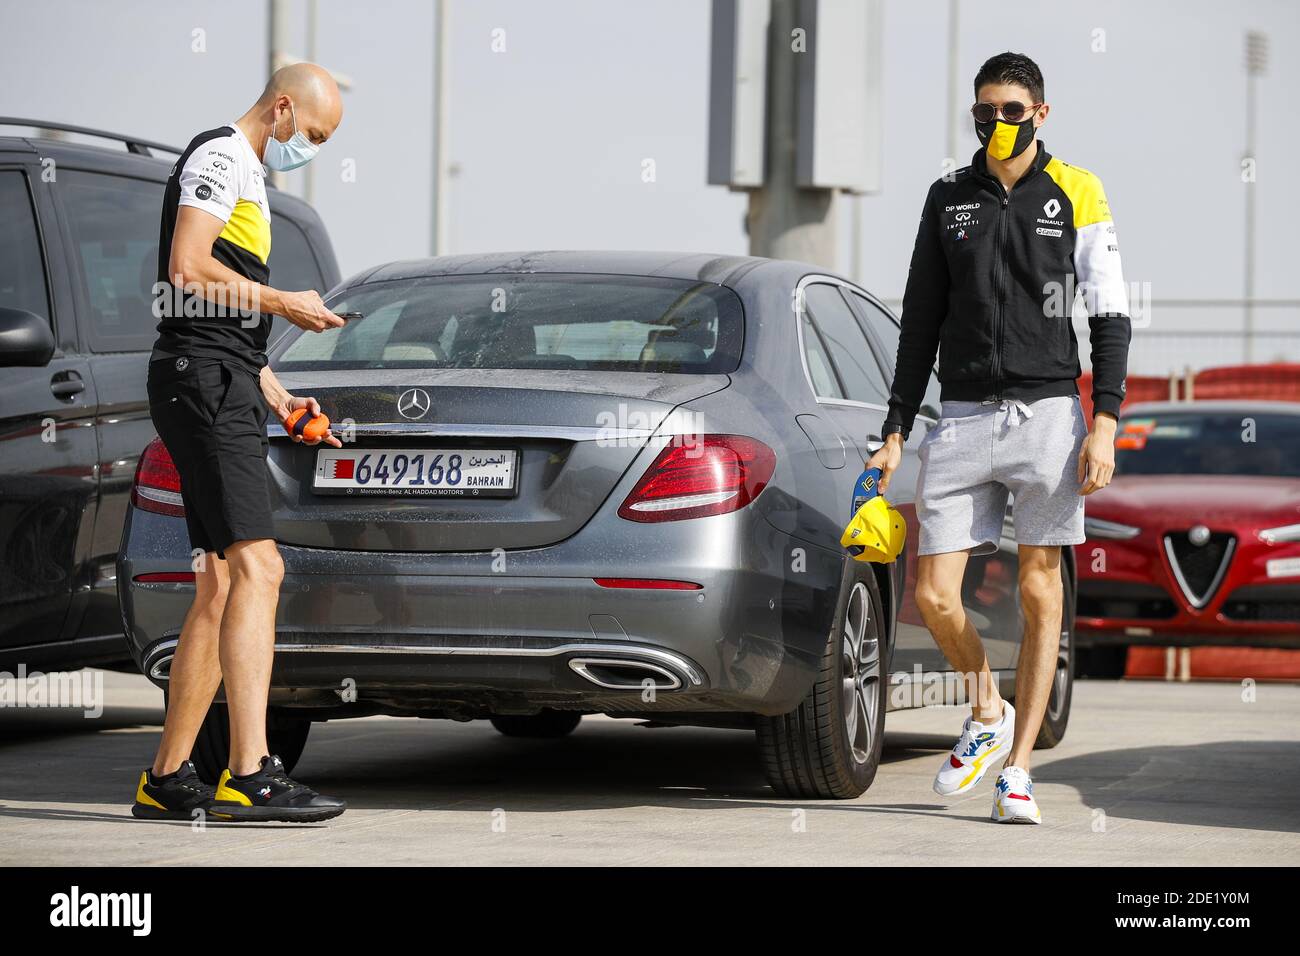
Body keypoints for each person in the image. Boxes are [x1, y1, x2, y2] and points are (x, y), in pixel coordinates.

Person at [869, 52, 1131, 824]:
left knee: (1039, 585)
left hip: (1052, 413)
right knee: (933, 595)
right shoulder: (949, 196)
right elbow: (920, 319)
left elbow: (1109, 316)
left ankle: (1018, 773)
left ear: (1039, 114)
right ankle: (988, 707)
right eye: (984, 110)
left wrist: (1105, 421)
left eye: (1012, 109)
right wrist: (893, 426)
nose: (996, 122)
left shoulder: (1077, 191)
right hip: (964, 414)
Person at [132, 63, 350, 823]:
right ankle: (249, 771)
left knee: (221, 584)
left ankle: (166, 778)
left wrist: (283, 398)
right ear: (283, 106)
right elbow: (186, 270)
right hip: (200, 382)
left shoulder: (248, 177)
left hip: (216, 376)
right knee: (262, 567)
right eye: (314, 135)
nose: (312, 150)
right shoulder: (222, 157)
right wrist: (285, 300)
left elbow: (224, 329)